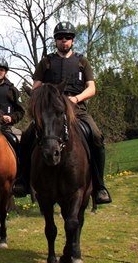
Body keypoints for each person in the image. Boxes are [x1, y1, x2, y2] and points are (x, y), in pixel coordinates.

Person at [12, 21, 112, 204]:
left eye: (67, 38)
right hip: (51, 111)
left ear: (72, 41)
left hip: (77, 109)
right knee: (26, 137)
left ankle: (99, 186)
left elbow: (92, 88)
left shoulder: (82, 62)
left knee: (96, 136)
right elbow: (36, 88)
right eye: (60, 38)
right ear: (55, 41)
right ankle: (22, 181)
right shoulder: (46, 62)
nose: (63, 41)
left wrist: (75, 99)